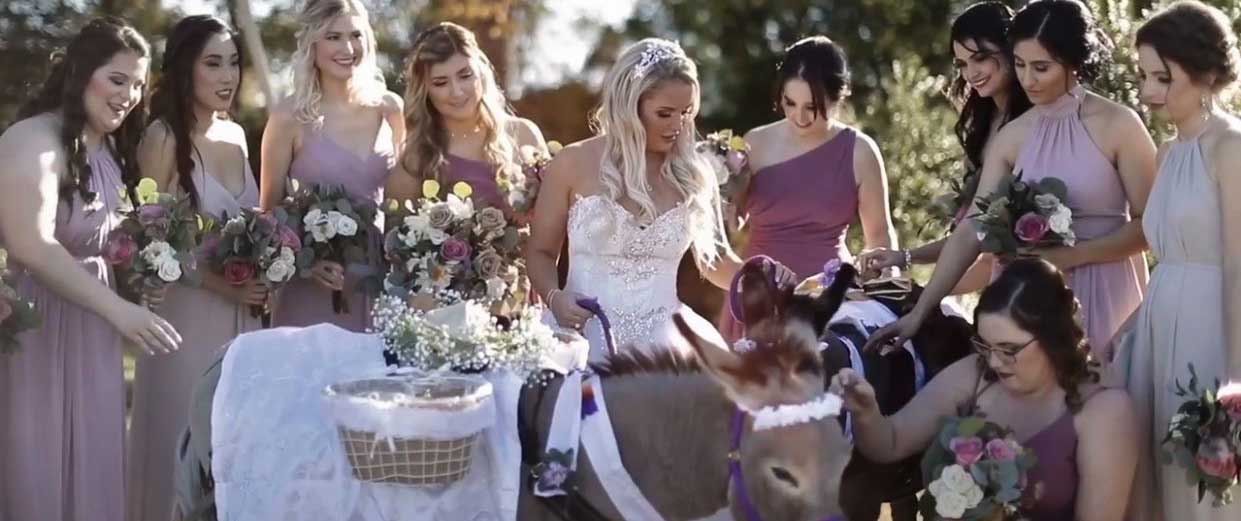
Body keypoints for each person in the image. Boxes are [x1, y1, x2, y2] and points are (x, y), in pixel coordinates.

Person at [867, 0, 1155, 356]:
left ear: (1074, 62)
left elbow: (1151, 227)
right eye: (1019, 65)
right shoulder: (1012, 136)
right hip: (1025, 298)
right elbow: (973, 229)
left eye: (1041, 67)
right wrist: (920, 310)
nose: (1028, 80)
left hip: (1107, 290)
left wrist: (1073, 257)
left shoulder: (1119, 124)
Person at [0, 17, 181, 521]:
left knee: (95, 461)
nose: (129, 95)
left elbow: (105, 240)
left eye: (139, 84)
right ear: (81, 72)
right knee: (38, 463)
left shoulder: (106, 151)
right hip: (36, 325)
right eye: (117, 79)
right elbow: (31, 244)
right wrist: (120, 312)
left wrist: (141, 273)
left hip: (92, 333)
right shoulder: (31, 140)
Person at [525, 39, 794, 360]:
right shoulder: (572, 163)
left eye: (687, 113)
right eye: (665, 114)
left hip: (667, 345)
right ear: (629, 106)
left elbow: (715, 262)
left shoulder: (695, 175)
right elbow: (540, 252)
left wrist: (761, 280)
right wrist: (555, 298)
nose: (678, 126)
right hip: (580, 338)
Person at [835, 258, 1137, 521]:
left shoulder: (1104, 410)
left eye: (1009, 349)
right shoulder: (976, 374)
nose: (994, 361)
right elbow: (889, 443)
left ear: (1053, 339)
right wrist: (865, 410)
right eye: (985, 345)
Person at [126, 15, 263, 521]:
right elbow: (149, 242)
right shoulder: (162, 137)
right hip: (184, 322)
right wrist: (219, 286)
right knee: (178, 446)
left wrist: (266, 265)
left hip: (242, 321)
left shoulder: (236, 135)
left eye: (233, 62)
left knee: (230, 449)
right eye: (213, 63)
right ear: (186, 69)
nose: (228, 76)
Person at [1117, 2, 1241, 519]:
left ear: (1205, 73)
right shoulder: (1167, 154)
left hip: (1213, 330)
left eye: (1162, 77)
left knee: (1203, 485)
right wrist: (1123, 333)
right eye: (1144, 76)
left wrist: (1235, 379)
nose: (1148, 92)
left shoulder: (1230, 148)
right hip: (1157, 328)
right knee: (1155, 474)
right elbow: (1165, 261)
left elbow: (1238, 265)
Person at [716, 35, 897, 341]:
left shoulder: (860, 151)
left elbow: (879, 237)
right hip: (759, 297)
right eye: (789, 103)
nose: (798, 117)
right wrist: (722, 192)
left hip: (827, 302)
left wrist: (878, 290)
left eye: (812, 106)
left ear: (839, 96)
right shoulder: (755, 143)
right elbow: (732, 227)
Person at [858, 1, 1032, 294]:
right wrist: (905, 261)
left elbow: (986, 241)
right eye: (962, 64)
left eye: (980, 58)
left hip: (1042, 279)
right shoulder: (981, 129)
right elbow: (971, 235)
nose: (971, 73)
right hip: (998, 285)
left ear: (1010, 48)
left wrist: (923, 291)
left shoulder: (1037, 123)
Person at [260, 0, 404, 331]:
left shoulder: (390, 110)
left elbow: (402, 202)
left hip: (378, 282)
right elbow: (269, 212)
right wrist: (305, 266)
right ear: (312, 43)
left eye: (356, 35)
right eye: (333, 37)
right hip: (310, 289)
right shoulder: (288, 117)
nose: (348, 47)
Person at [387, 21, 547, 212]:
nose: (456, 92)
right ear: (425, 90)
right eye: (441, 83)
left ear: (481, 73)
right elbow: (396, 235)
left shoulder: (523, 134)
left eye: (465, 75)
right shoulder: (416, 159)